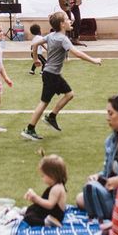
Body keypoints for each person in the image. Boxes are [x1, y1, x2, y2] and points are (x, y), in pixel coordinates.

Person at [22, 10, 102, 141]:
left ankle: (51, 117)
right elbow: (77, 53)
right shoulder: (63, 39)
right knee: (43, 103)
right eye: (67, 19)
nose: (70, 21)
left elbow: (35, 44)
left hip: (51, 74)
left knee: (69, 94)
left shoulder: (51, 35)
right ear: (62, 24)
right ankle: (29, 129)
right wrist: (94, 61)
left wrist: (35, 59)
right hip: (52, 75)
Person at [22, 154, 68, 227]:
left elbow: (50, 205)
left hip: (53, 215)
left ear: (52, 175)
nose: (42, 178)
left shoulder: (57, 188)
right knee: (32, 209)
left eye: (43, 176)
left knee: (29, 218)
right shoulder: (56, 186)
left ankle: (48, 222)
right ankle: (29, 211)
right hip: (48, 212)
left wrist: (36, 198)